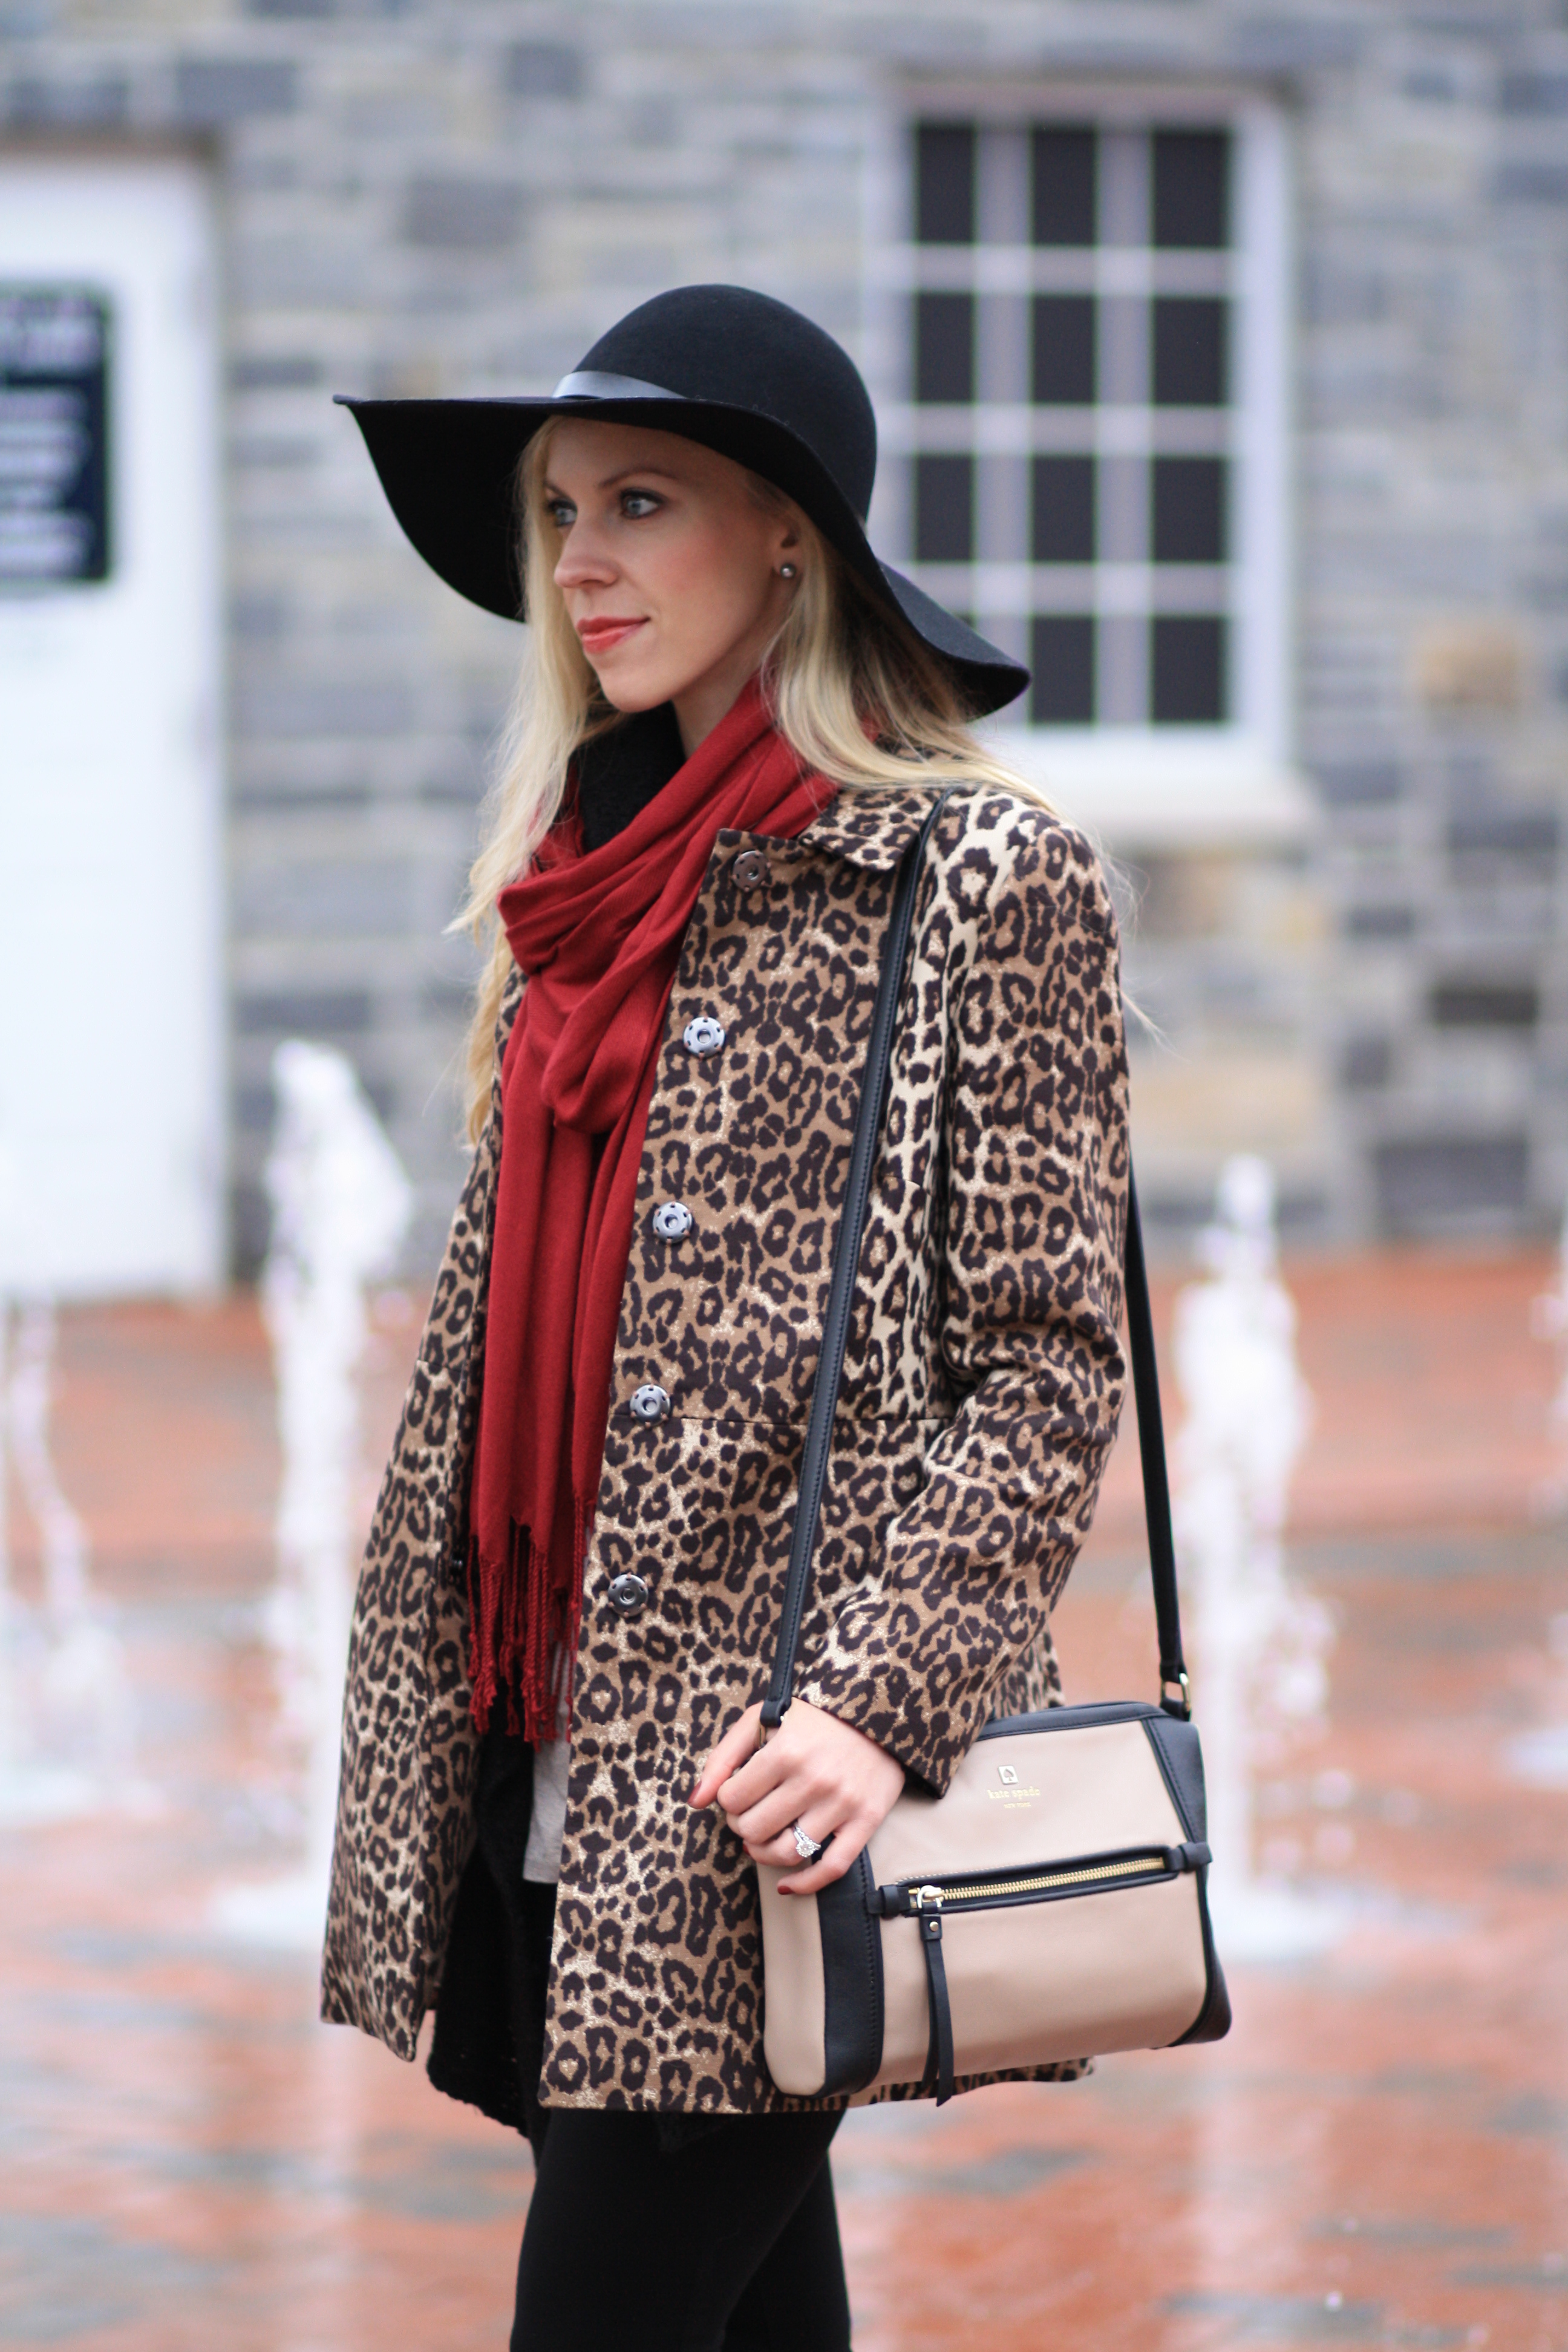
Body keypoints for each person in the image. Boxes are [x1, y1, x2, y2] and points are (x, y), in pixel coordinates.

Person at [322, 284, 1131, 2350]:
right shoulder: (572, 888)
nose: (580, 563)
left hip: (761, 1776)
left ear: (788, 533)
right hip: (551, 1735)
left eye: (640, 503)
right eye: (561, 514)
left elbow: (1049, 1361)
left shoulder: (973, 878)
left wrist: (879, 1702)